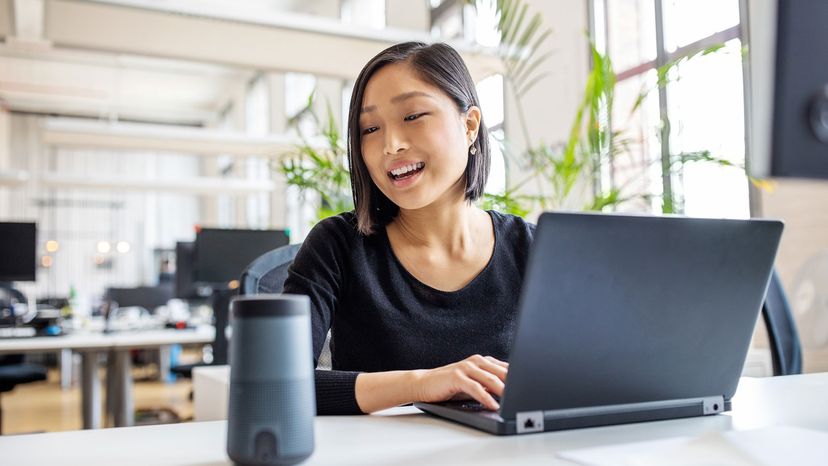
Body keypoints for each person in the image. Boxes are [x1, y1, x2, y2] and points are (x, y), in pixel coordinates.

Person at [283, 41, 535, 415]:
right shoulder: (336, 246)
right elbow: (277, 384)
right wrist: (422, 383)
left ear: (469, 125)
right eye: (370, 128)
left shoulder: (532, 248)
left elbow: (591, 369)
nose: (391, 145)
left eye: (413, 116)